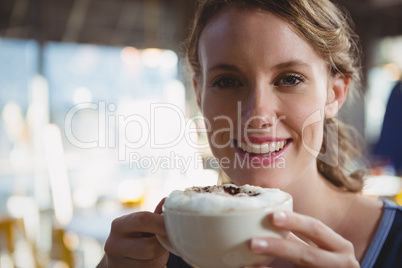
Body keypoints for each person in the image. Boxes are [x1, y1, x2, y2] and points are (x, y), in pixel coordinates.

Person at [97, 0, 402, 267]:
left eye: (289, 79)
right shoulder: (164, 250)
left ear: (334, 94)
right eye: (228, 81)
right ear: (200, 95)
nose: (257, 115)